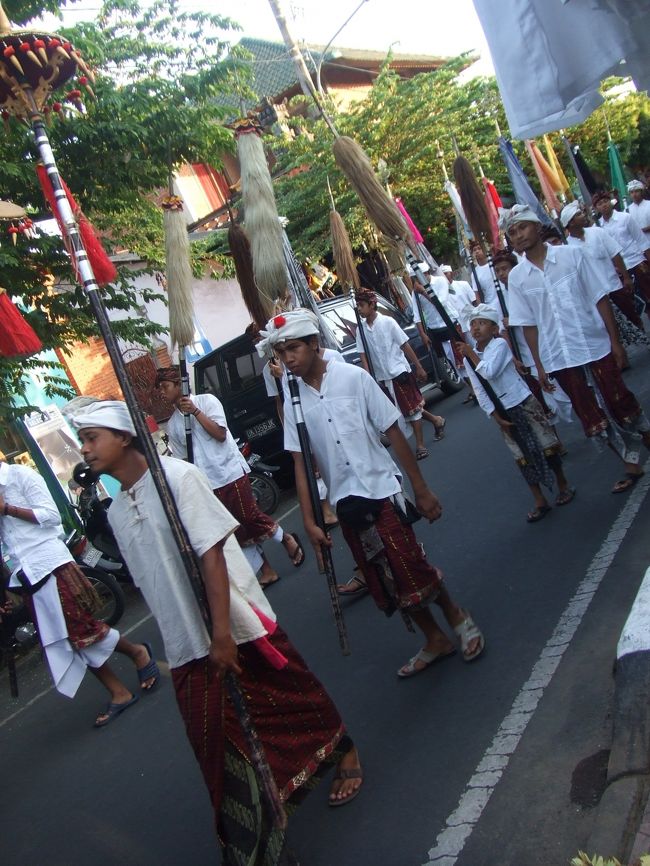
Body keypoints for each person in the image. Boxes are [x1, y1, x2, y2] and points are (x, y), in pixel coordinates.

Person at [72, 401, 362, 864]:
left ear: (123, 437)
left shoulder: (178, 478)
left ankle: (341, 747)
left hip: (232, 625)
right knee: (214, 741)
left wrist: (222, 634)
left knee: (290, 694)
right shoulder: (118, 512)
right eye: (83, 440)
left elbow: (210, 553)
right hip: (185, 642)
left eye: (92, 438)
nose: (85, 449)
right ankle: (257, 841)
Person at [259, 309, 484, 678]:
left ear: (315, 345)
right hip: (346, 503)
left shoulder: (353, 378)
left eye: (294, 349)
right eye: (281, 353)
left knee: (410, 564)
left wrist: (421, 489)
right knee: (386, 578)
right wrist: (310, 520)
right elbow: (300, 461)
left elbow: (393, 431)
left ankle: (456, 616)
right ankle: (434, 638)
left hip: (381, 490)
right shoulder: (292, 399)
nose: (287, 359)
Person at [0, 458, 158, 727]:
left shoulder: (20, 476)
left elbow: (51, 516)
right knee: (67, 639)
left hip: (50, 563)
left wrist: (7, 508)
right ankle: (118, 691)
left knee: (82, 630)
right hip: (26, 576)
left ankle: (137, 653)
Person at [506, 204, 650, 494]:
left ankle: (645, 438)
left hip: (594, 344)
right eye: (512, 232)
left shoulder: (571, 255)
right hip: (559, 357)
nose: (518, 235)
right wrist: (540, 366)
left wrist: (615, 341)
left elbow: (599, 298)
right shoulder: (517, 278)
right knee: (592, 416)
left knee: (619, 400)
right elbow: (529, 325)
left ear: (536, 227)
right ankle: (630, 464)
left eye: (522, 227)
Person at [156, 367, 305, 589]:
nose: (161, 392)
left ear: (179, 384)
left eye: (164, 386)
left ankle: (285, 538)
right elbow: (184, 459)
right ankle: (266, 570)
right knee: (235, 529)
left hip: (229, 471)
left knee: (249, 516)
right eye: (159, 388)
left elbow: (220, 434)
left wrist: (195, 412)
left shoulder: (206, 401)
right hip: (207, 482)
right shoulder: (174, 424)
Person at [458, 305, 574, 522]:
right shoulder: (469, 358)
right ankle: (539, 499)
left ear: (494, 329)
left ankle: (562, 484)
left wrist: (472, 355)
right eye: (473, 324)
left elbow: (489, 372)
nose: (476, 328)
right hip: (503, 410)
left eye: (482, 323)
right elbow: (479, 389)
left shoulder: (500, 345)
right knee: (521, 456)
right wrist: (495, 416)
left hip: (523, 402)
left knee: (546, 446)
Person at [355, 289, 446, 460]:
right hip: (383, 377)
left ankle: (420, 445)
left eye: (361, 305)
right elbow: (363, 355)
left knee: (411, 408)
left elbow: (405, 345)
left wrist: (419, 367)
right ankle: (436, 420)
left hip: (399, 371)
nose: (359, 309)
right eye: (357, 306)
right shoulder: (361, 330)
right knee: (403, 410)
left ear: (372, 305)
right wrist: (369, 378)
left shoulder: (388, 322)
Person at [562, 200, 646, 333]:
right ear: (571, 222)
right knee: (611, 329)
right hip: (596, 296)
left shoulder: (597, 232)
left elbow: (615, 254)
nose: (583, 215)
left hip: (614, 286)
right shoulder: (567, 248)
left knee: (634, 319)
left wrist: (626, 278)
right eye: (578, 214)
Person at [594, 190, 650, 315]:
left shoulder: (625, 217)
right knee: (637, 306)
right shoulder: (597, 228)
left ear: (611, 202)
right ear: (596, 208)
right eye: (600, 204)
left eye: (605, 201)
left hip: (636, 262)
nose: (604, 205)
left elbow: (641, 240)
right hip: (619, 270)